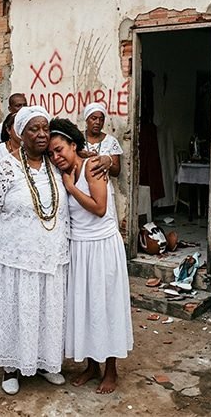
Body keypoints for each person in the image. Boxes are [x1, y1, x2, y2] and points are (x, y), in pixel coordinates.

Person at [0, 106, 69, 395]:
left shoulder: (57, 165)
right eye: (34, 129)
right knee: (17, 309)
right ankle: (11, 367)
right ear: (20, 133)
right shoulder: (5, 167)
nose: (41, 134)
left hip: (51, 255)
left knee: (45, 310)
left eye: (45, 129)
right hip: (14, 257)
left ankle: (44, 362)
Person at [48, 118, 133, 394]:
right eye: (52, 153)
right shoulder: (68, 168)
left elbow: (99, 207)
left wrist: (72, 187)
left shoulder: (92, 167)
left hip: (101, 247)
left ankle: (110, 369)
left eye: (60, 149)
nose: (56, 156)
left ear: (74, 145)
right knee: (85, 307)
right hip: (79, 248)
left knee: (106, 306)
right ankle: (91, 366)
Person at [81, 102, 122, 178]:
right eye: (93, 118)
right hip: (80, 186)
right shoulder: (77, 138)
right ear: (86, 119)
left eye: (101, 119)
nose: (98, 122)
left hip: (103, 187)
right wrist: (79, 155)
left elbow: (116, 172)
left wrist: (108, 163)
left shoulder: (111, 141)